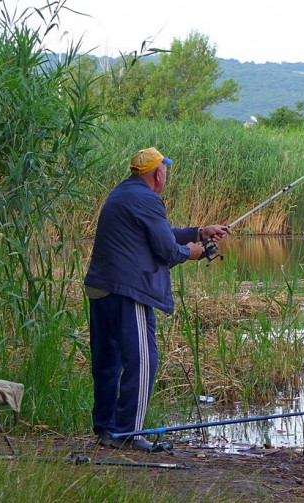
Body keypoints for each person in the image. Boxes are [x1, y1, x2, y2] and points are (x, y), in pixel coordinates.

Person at [83, 147, 230, 451]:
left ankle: (107, 430)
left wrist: (200, 231)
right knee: (144, 360)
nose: (166, 175)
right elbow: (165, 249)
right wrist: (191, 252)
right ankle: (130, 434)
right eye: (165, 170)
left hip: (100, 288)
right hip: (127, 291)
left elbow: (158, 234)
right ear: (158, 173)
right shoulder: (148, 198)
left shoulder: (124, 193)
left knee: (108, 361)